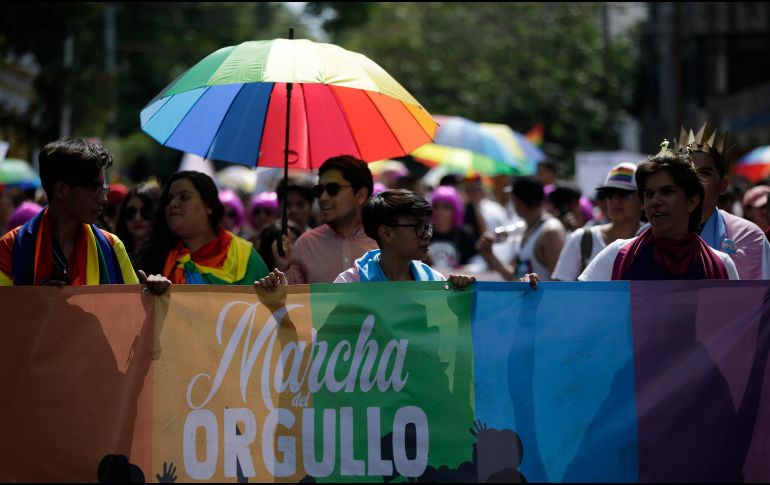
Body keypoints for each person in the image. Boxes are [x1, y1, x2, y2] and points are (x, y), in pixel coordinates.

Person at [256, 189, 539, 289]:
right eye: (417, 227)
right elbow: (317, 339)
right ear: (386, 233)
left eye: (427, 227)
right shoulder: (351, 284)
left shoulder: (436, 284)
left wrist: (520, 291)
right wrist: (281, 302)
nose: (426, 235)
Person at [0, 139, 167, 293]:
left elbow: (132, 314)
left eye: (104, 188)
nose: (104, 199)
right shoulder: (10, 248)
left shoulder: (112, 247)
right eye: (95, 188)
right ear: (61, 190)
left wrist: (154, 293)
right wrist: (33, 302)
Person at [579, 141, 739, 281]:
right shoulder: (616, 256)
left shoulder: (721, 265)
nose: (655, 201)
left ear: (692, 201)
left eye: (667, 192)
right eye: (649, 194)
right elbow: (582, 305)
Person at [135, 171, 269, 285]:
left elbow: (263, 311)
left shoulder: (243, 256)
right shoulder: (150, 258)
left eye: (184, 197)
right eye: (169, 199)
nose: (173, 203)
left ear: (209, 205)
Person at [674, 124, 769, 279]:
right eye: (688, 172)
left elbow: (761, 300)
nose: (695, 180)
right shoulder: (648, 235)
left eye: (705, 173)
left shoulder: (749, 237)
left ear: (723, 185)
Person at [273, 155, 379, 284]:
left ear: (361, 195)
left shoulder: (384, 241)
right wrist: (284, 268)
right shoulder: (306, 244)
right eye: (319, 190)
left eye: (332, 189)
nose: (323, 197)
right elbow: (294, 301)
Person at [552, 163, 643, 281]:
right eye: (610, 194)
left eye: (624, 194)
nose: (615, 200)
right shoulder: (581, 239)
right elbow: (560, 291)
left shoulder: (653, 240)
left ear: (643, 200)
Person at [477, 176, 566, 281]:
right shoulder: (529, 228)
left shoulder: (551, 231)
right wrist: (489, 255)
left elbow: (559, 282)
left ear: (518, 201)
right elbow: (516, 277)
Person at [427, 185, 478, 270]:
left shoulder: (464, 234)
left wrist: (467, 269)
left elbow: (477, 261)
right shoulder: (425, 232)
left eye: (446, 207)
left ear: (455, 210)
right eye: (436, 207)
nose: (440, 211)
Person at [114, 182, 161, 265]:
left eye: (146, 211)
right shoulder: (113, 256)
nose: (137, 218)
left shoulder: (170, 259)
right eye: (131, 212)